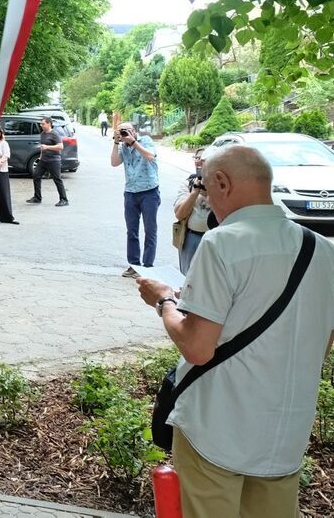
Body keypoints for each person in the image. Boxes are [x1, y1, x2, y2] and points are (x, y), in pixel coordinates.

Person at [136, 145, 334, 518]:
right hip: (285, 434)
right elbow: (320, 345)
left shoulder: (222, 242)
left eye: (206, 189)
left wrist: (164, 302)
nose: (207, 200)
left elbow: (197, 347)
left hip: (218, 429)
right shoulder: (322, 250)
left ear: (222, 183)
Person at [110, 120, 160, 274]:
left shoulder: (145, 141)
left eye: (126, 130)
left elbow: (150, 156)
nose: (124, 133)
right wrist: (116, 142)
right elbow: (114, 163)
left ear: (134, 131)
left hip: (149, 191)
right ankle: (134, 265)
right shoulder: (122, 147)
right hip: (131, 192)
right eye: (120, 131)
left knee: (150, 230)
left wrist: (133, 142)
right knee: (131, 230)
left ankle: (148, 267)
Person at [173, 147, 217, 275]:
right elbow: (179, 214)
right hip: (192, 237)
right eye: (198, 159)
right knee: (187, 277)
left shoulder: (225, 184)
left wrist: (212, 190)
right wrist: (195, 192)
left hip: (215, 238)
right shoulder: (189, 183)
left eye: (204, 160)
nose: (199, 162)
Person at [26, 116, 69, 207]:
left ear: (49, 124)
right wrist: (41, 156)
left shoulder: (54, 134)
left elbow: (60, 146)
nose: (41, 125)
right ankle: (37, 198)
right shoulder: (42, 134)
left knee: (57, 179)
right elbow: (42, 146)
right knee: (36, 176)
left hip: (54, 160)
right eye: (41, 124)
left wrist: (47, 147)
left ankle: (64, 199)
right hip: (43, 160)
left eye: (43, 124)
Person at [0, 127, 18, 225]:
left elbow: (6, 155)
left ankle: (7, 217)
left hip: (2, 170)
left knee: (3, 193)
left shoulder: (4, 143)